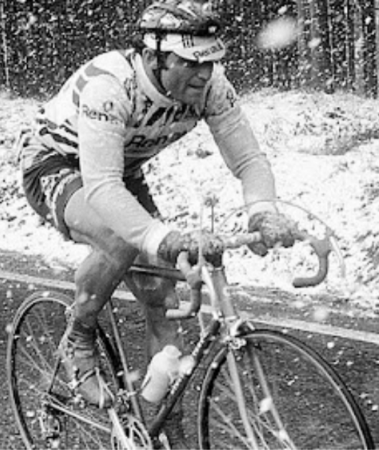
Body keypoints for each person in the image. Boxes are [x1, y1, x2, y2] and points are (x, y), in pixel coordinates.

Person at [18, 0, 298, 444]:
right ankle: (78, 339)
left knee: (163, 294)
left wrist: (263, 209)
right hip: (56, 164)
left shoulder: (211, 86)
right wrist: (160, 236)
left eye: (211, 61)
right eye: (191, 63)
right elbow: (103, 188)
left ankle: (162, 422)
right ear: (154, 57)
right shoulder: (111, 84)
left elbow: (248, 158)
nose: (204, 73)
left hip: (120, 170)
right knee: (122, 239)